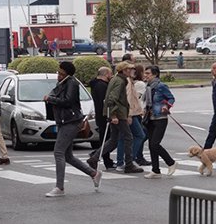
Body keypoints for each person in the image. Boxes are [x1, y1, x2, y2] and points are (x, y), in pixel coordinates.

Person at [43, 62, 100, 197]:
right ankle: (94, 173)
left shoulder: (72, 83)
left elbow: (68, 101)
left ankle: (60, 187)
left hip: (71, 121)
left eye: (61, 73)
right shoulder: (63, 83)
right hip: (64, 121)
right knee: (67, 156)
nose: (58, 75)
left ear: (67, 74)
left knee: (58, 152)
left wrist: (51, 99)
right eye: (58, 72)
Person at [87, 62, 143, 173]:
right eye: (129, 69)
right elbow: (112, 98)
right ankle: (129, 164)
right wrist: (113, 115)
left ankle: (94, 158)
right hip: (119, 113)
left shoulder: (117, 79)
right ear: (124, 70)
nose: (131, 71)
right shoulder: (120, 81)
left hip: (116, 113)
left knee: (113, 139)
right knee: (128, 137)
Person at [142, 65, 178, 178]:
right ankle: (155, 170)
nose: (145, 75)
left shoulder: (161, 86)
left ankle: (171, 162)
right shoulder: (148, 87)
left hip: (160, 118)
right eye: (145, 73)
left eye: (148, 73)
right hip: (150, 117)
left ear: (155, 74)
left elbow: (171, 98)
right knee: (151, 145)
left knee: (155, 143)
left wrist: (166, 106)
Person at [114, 64, 147, 171]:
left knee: (123, 138)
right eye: (130, 69)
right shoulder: (127, 81)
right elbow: (128, 99)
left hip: (128, 113)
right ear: (125, 70)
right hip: (130, 113)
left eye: (133, 68)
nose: (133, 70)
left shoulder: (123, 80)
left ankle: (120, 162)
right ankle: (129, 159)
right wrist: (129, 114)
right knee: (139, 135)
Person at [88, 66, 115, 170]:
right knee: (107, 139)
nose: (111, 76)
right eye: (110, 74)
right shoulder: (102, 86)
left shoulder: (96, 84)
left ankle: (99, 155)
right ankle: (99, 156)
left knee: (106, 138)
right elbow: (105, 102)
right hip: (104, 115)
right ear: (106, 74)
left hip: (100, 115)